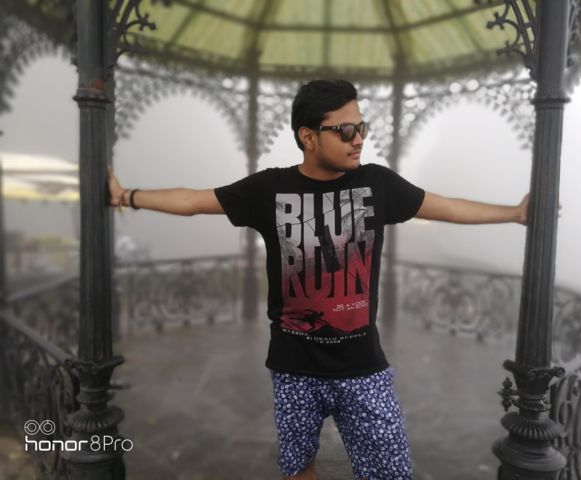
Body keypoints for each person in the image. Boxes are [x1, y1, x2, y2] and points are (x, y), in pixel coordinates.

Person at [108, 79, 528, 480]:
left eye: (361, 127)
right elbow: (193, 200)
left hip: (363, 369)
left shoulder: (377, 184)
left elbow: (447, 207)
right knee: (297, 469)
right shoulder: (270, 188)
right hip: (293, 369)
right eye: (345, 131)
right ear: (308, 137)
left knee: (391, 470)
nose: (358, 139)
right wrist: (126, 196)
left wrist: (514, 213)